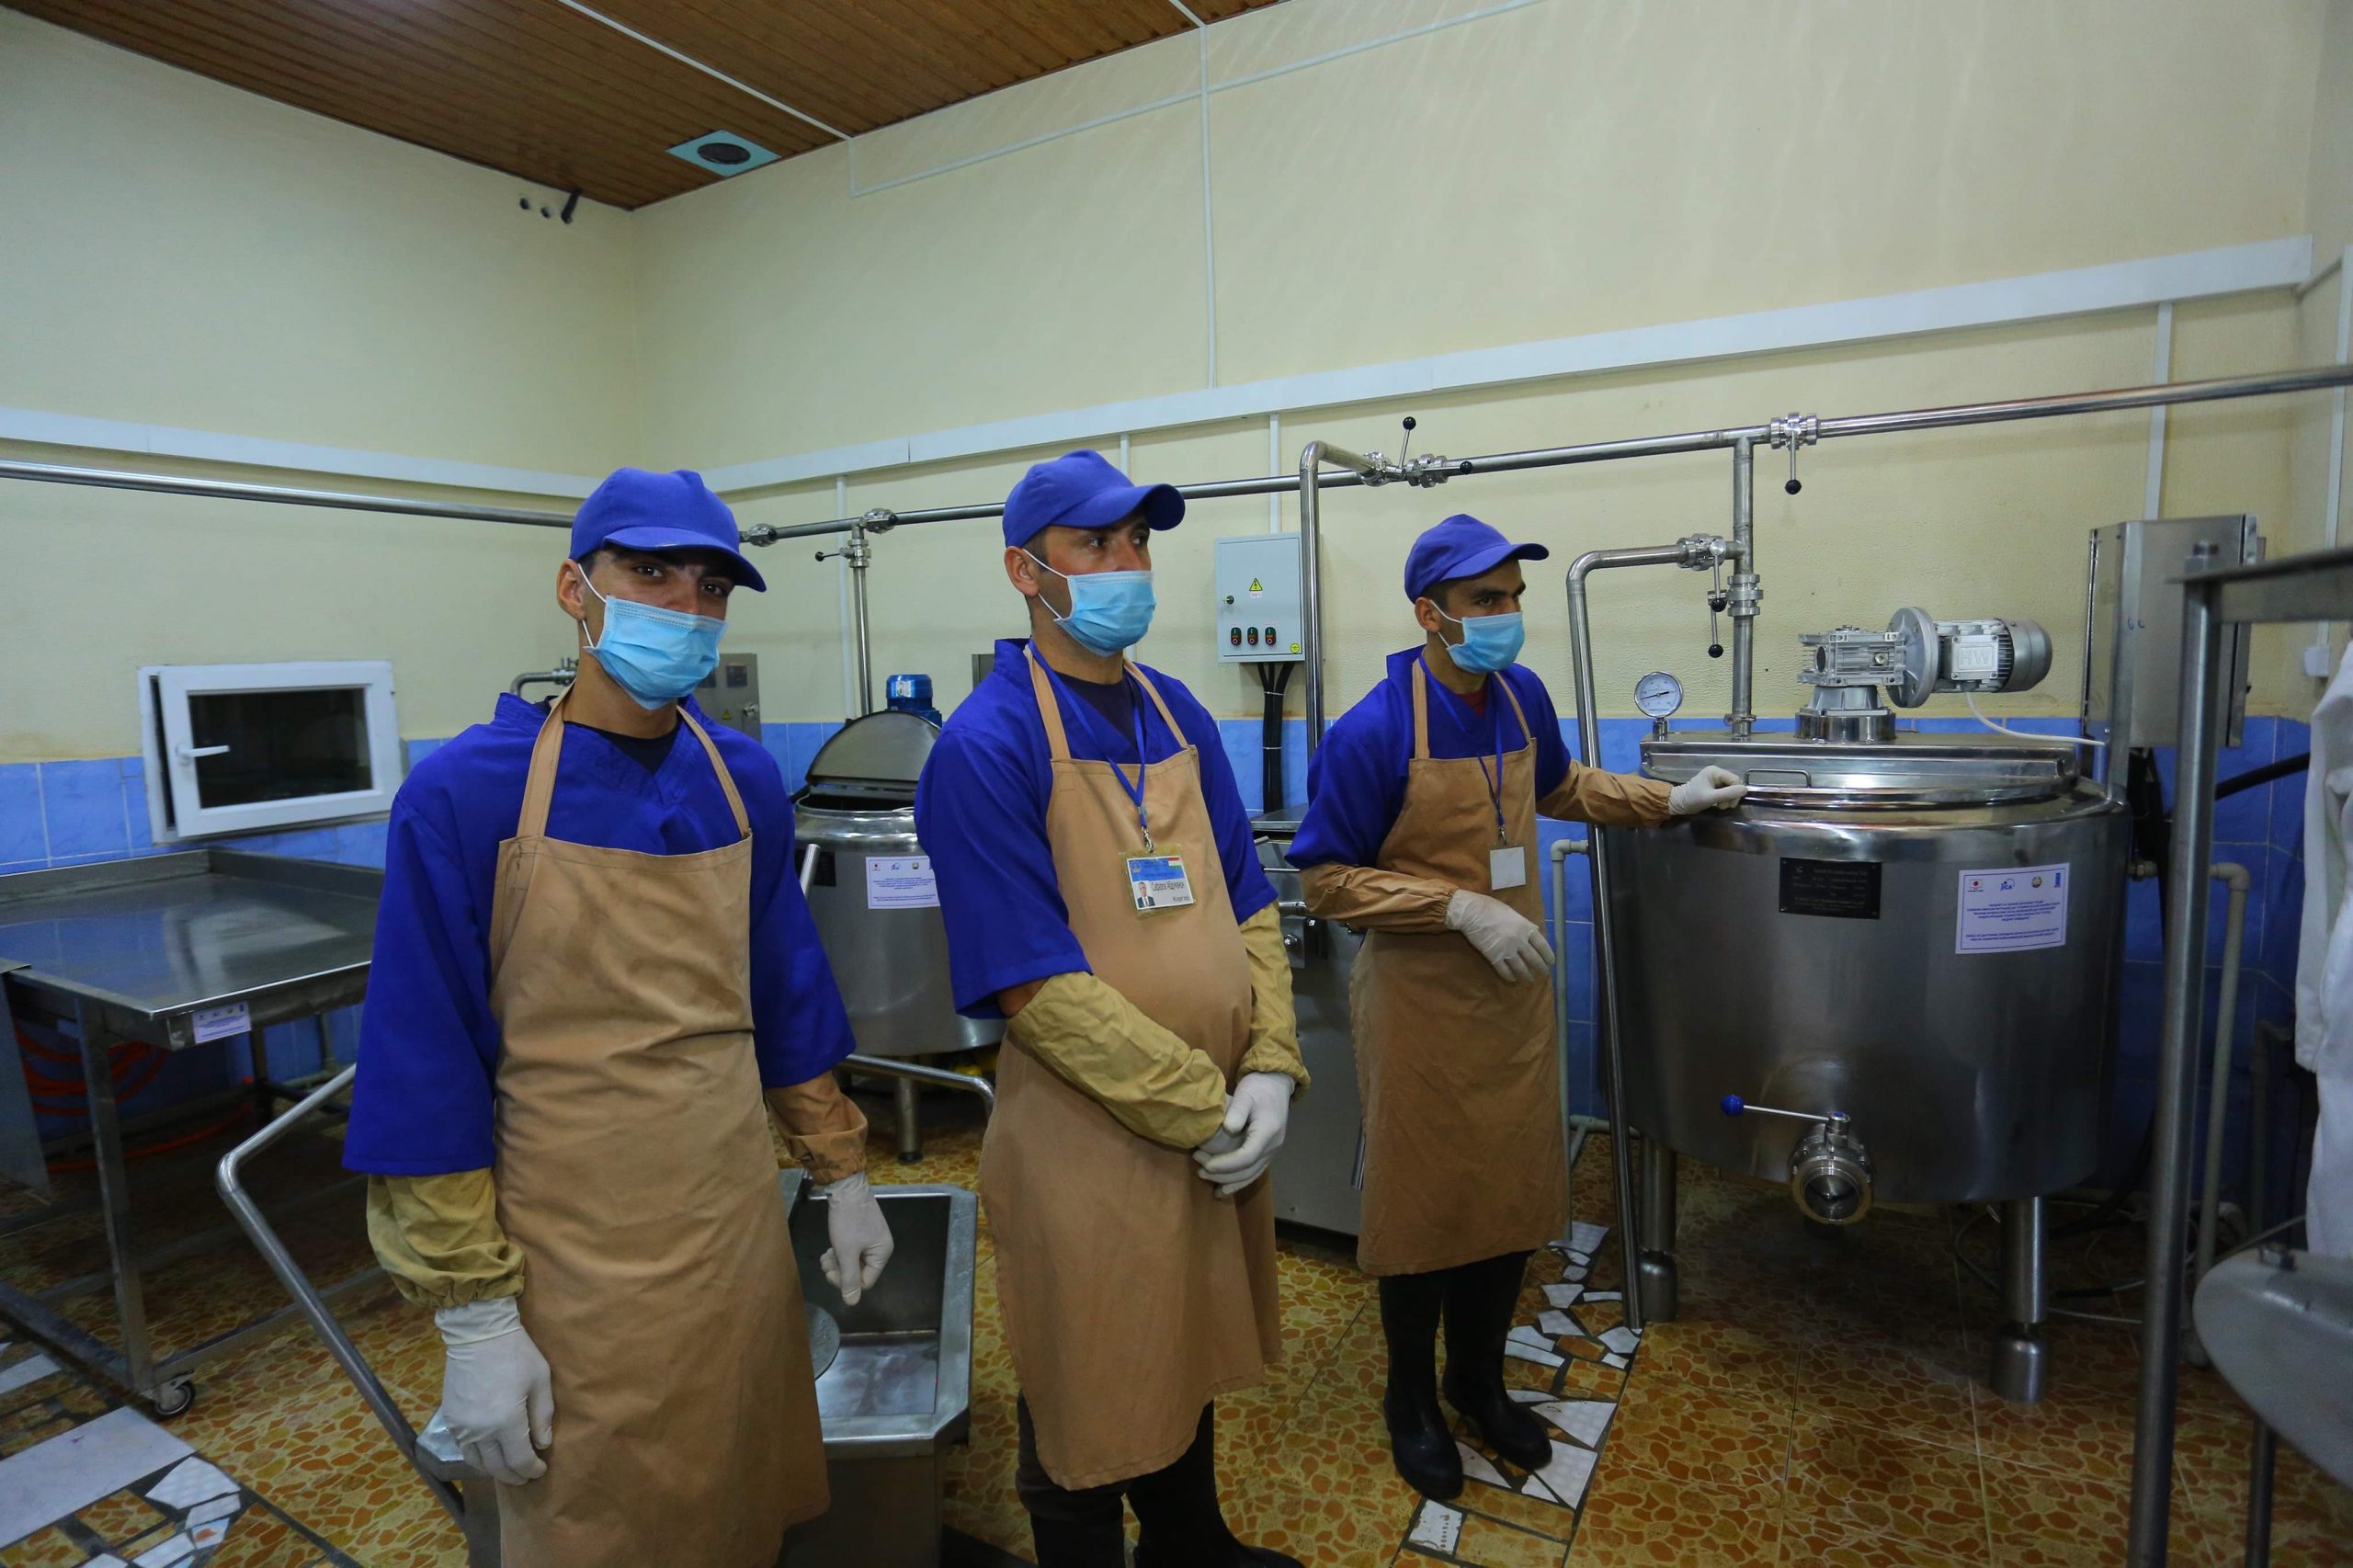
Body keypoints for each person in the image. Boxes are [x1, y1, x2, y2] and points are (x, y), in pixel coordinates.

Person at [343, 469, 892, 1568]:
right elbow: (425, 1062)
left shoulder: (740, 779)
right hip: (571, 1250)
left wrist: (841, 1171)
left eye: (709, 588)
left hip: (732, 1220)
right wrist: (473, 1312)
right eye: (649, 574)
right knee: (599, 1515)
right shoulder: (465, 794)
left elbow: (783, 995)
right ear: (574, 591)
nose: (684, 608)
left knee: (737, 1490)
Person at [1287, 512, 1745, 1499]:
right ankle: (1410, 1397)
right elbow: (1324, 881)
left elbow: (1563, 786)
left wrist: (1668, 801)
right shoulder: (1372, 729)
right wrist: (1456, 906)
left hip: (1511, 999)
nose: (1506, 615)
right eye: (1484, 600)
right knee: (1425, 1205)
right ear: (1431, 613)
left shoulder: (1521, 694)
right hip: (1418, 1004)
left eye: (1513, 599)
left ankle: (1478, 1382)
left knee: (1504, 1198)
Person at [915, 450, 1309, 1568]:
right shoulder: (986, 743)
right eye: (1094, 544)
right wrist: (1204, 1102)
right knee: (1086, 1371)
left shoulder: (1175, 711)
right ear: (1025, 571)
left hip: (1209, 1117)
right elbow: (1033, 986)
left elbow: (1248, 897)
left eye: (1137, 540)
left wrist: (1270, 1058)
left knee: (1183, 1336)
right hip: (1089, 1132)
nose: (1126, 564)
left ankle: (1190, 1545)